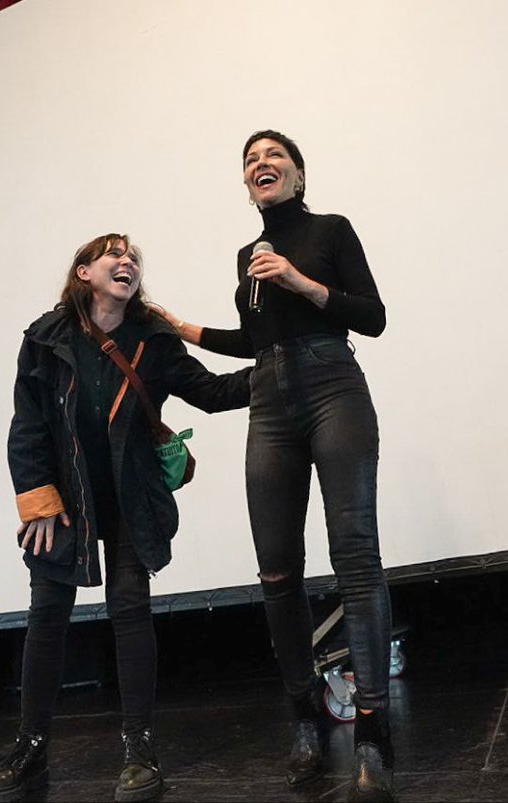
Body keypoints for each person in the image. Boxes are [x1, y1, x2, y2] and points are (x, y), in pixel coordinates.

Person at [153, 130, 394, 801]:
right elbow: (255, 340)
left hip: (333, 389)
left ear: (299, 175)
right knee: (277, 569)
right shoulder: (245, 255)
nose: (262, 164)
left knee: (355, 554)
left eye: (274, 158)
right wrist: (180, 327)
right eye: (251, 160)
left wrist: (301, 282)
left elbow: (372, 317)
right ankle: (307, 718)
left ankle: (374, 733)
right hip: (271, 403)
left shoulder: (330, 230)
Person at [0, 234, 251, 803]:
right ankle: (30, 748)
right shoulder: (46, 337)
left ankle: (139, 747)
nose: (127, 262)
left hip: (133, 495)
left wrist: (278, 365)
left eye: (133, 259)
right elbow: (27, 424)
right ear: (84, 272)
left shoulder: (153, 339)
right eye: (113, 256)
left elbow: (213, 391)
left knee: (131, 609)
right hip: (63, 499)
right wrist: (38, 497)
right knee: (47, 615)